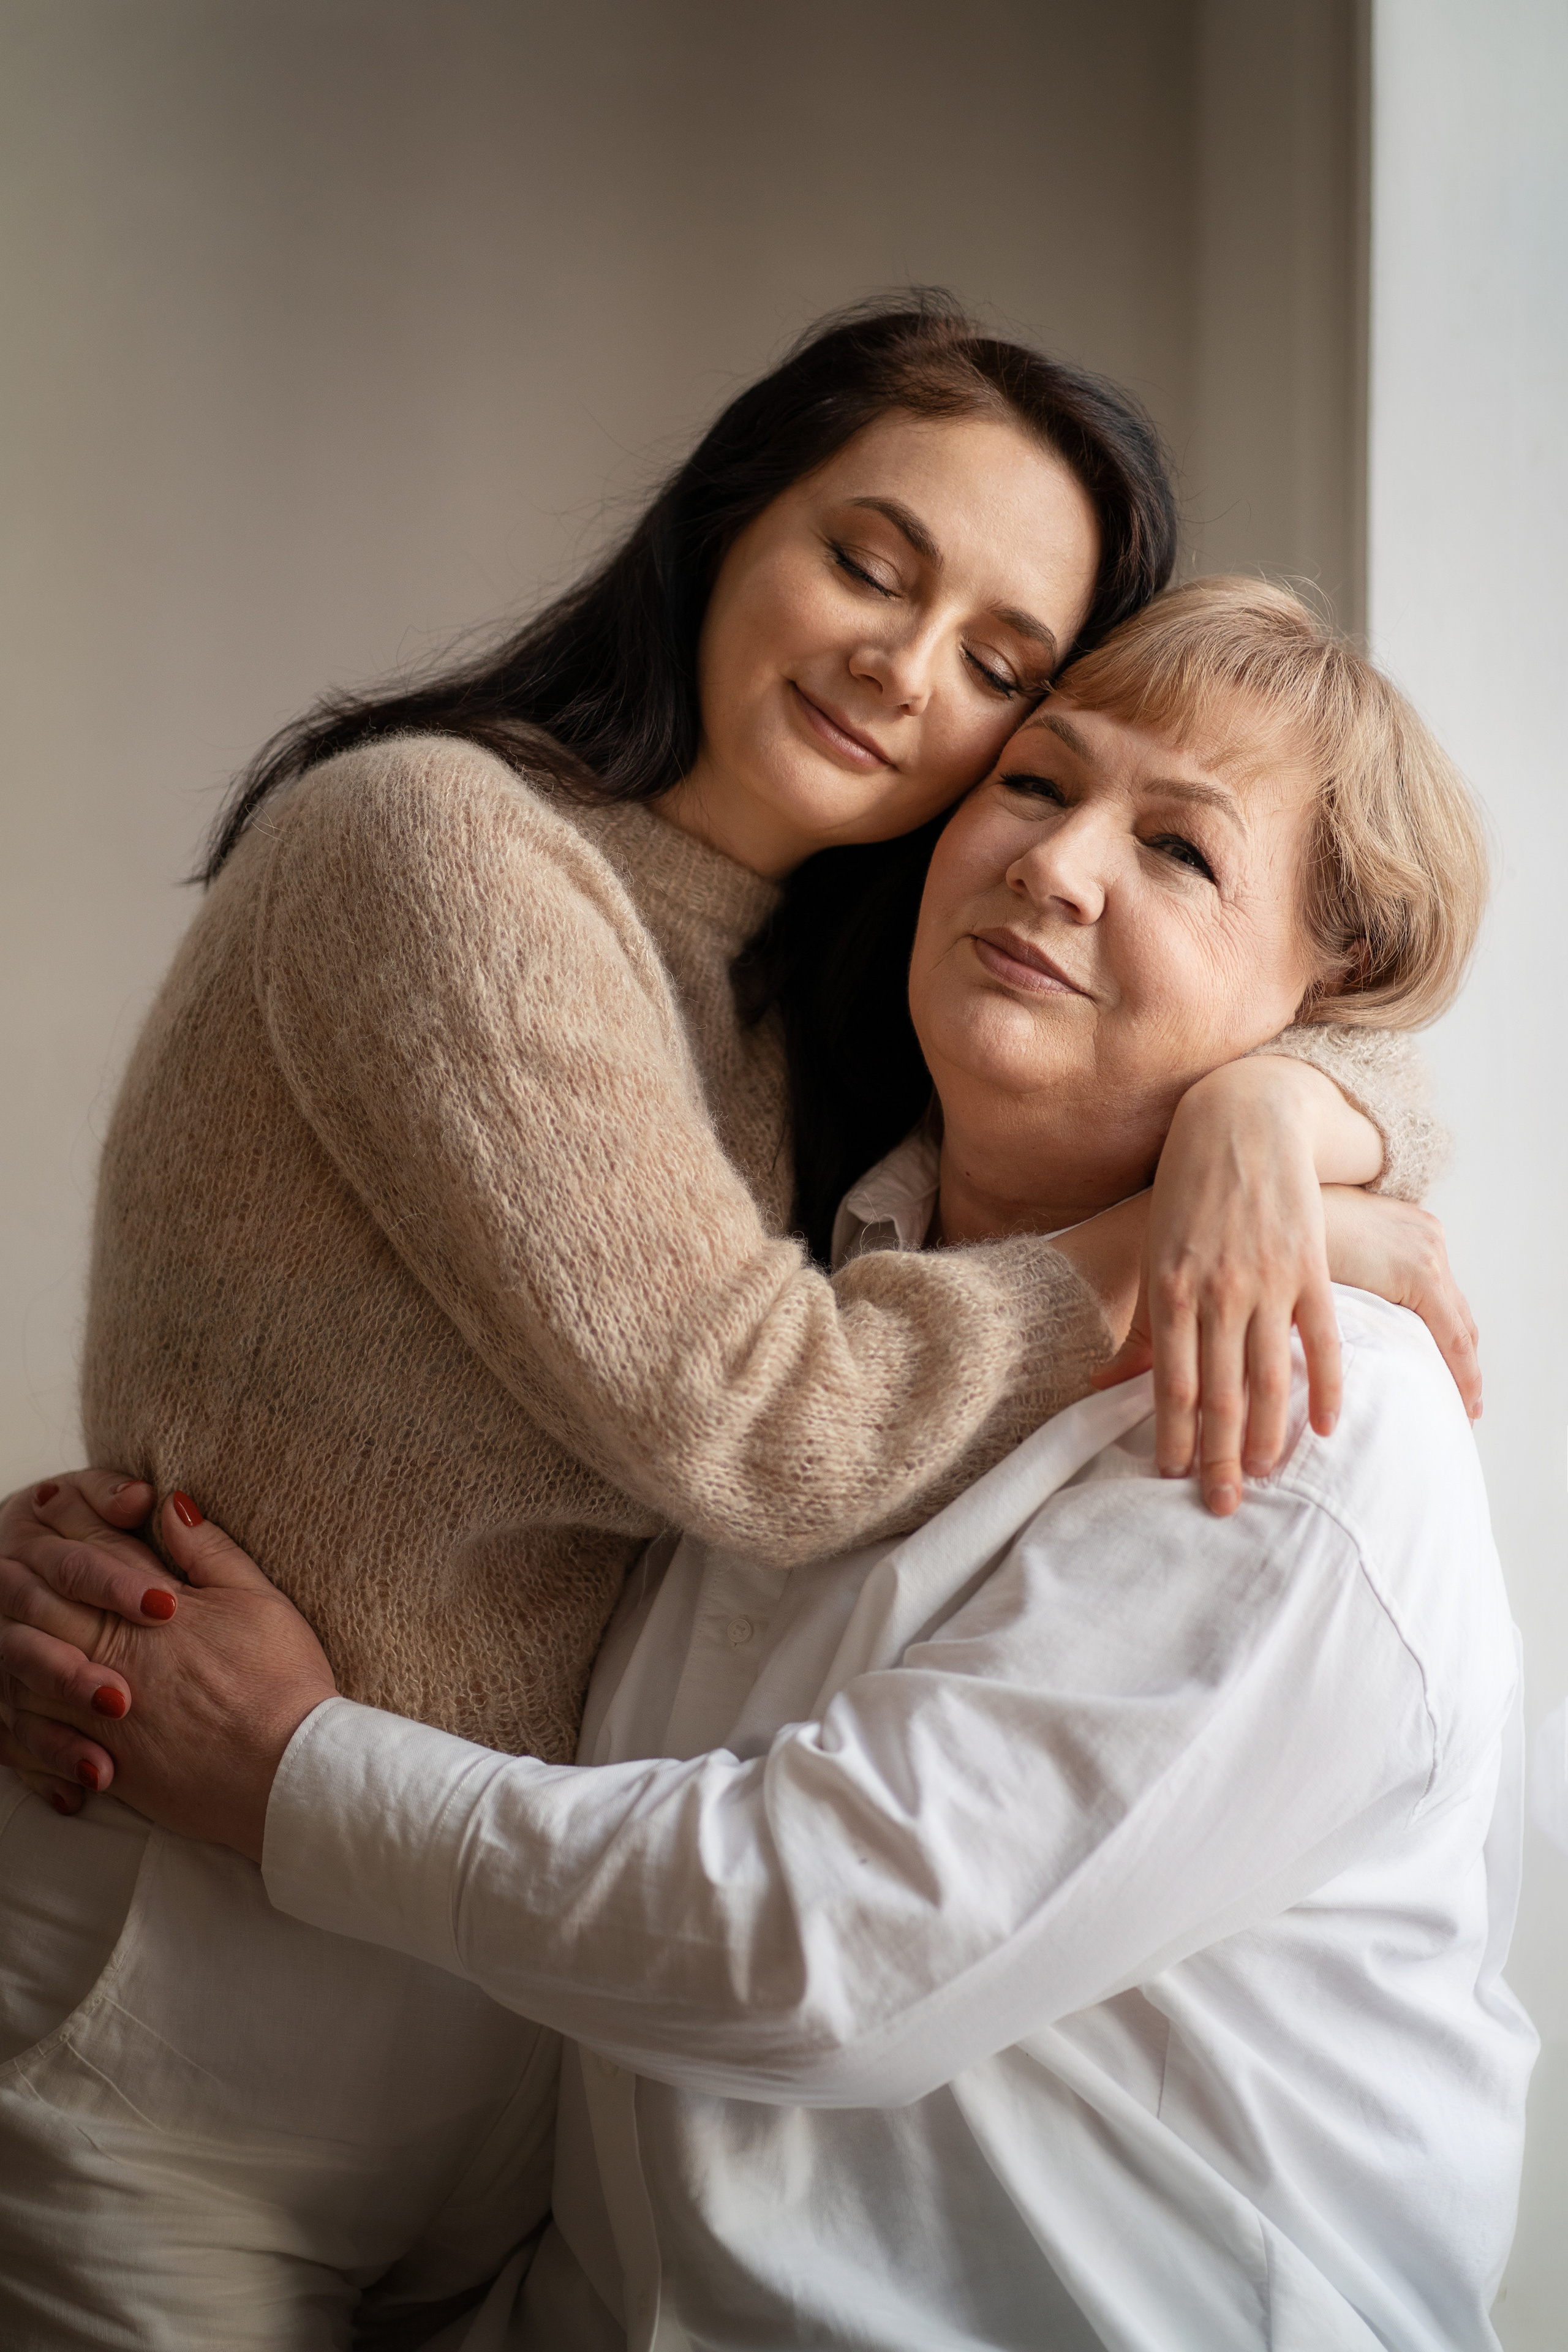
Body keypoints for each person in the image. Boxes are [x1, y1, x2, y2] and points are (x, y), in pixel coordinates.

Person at [0, 581, 1527, 2352]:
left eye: (1181, 852)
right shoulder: (817, 1296)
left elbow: (817, 1949)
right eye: (1034, 784)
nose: (1056, 864)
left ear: (1322, 988)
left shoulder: (1310, 1412)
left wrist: (278, 1768)